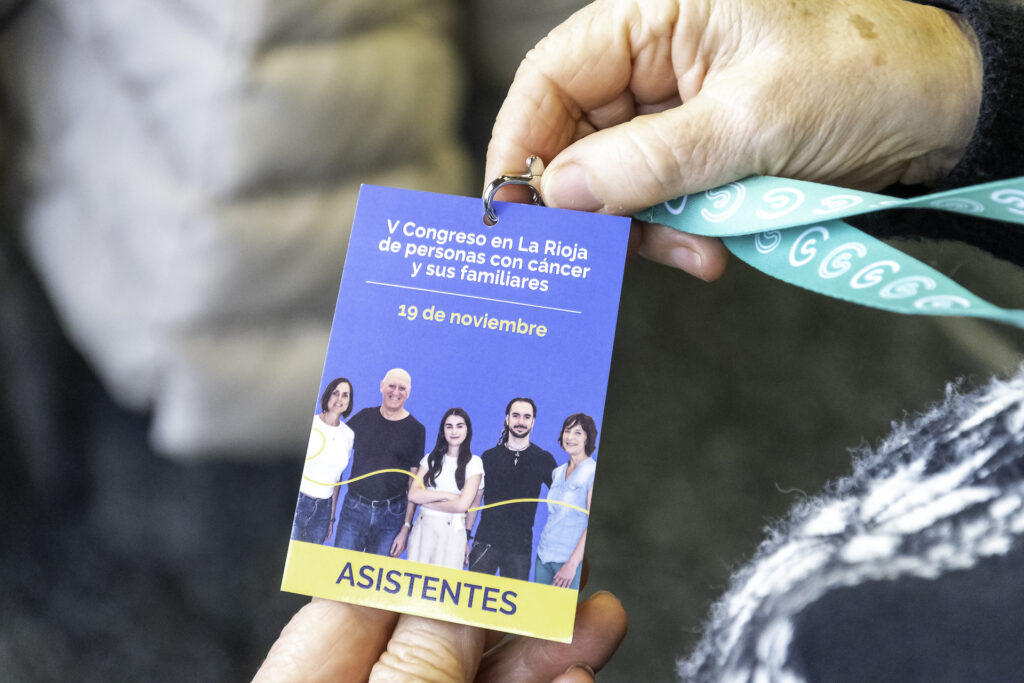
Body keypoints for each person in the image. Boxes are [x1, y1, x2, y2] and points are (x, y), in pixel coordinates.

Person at [257, 0, 1024, 679]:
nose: (500, 421)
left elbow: (467, 499)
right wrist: (961, 88)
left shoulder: (509, 455)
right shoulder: (428, 439)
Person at [334, 368, 425, 557]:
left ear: (408, 393)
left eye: (402, 388)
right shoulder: (363, 417)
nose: (396, 392)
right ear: (382, 386)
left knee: (377, 574)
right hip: (354, 510)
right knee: (338, 567)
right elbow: (336, 457)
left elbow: (413, 482)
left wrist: (406, 528)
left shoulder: (416, 430)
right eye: (391, 386)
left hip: (392, 517)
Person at [467, 397, 557, 580]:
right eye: (516, 415)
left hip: (520, 549)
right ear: (507, 419)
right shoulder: (489, 457)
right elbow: (474, 501)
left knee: (514, 599)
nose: (521, 421)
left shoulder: (543, 458)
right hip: (485, 544)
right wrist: (466, 535)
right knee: (472, 596)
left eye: (526, 417)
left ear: (533, 421)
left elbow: (562, 496)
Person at [406, 408, 485, 568]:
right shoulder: (430, 459)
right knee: (414, 578)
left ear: (467, 430)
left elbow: (462, 506)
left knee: (444, 581)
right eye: (449, 426)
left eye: (459, 426)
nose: (454, 431)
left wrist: (426, 500)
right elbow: (413, 495)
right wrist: (448, 496)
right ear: (443, 431)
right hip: (423, 530)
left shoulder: (474, 463)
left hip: (453, 534)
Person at [535, 414, 598, 590]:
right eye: (567, 431)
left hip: (570, 563)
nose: (570, 437)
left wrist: (572, 564)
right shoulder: (558, 472)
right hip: (544, 557)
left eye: (578, 433)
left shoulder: (592, 472)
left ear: (587, 438)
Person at [291, 377, 355, 544]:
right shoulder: (310, 424)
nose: (339, 399)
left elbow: (338, 478)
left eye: (345, 395)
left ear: (349, 401)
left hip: (323, 511)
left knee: (309, 559)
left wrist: (331, 517)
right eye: (335, 393)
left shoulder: (348, 435)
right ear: (327, 395)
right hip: (298, 502)